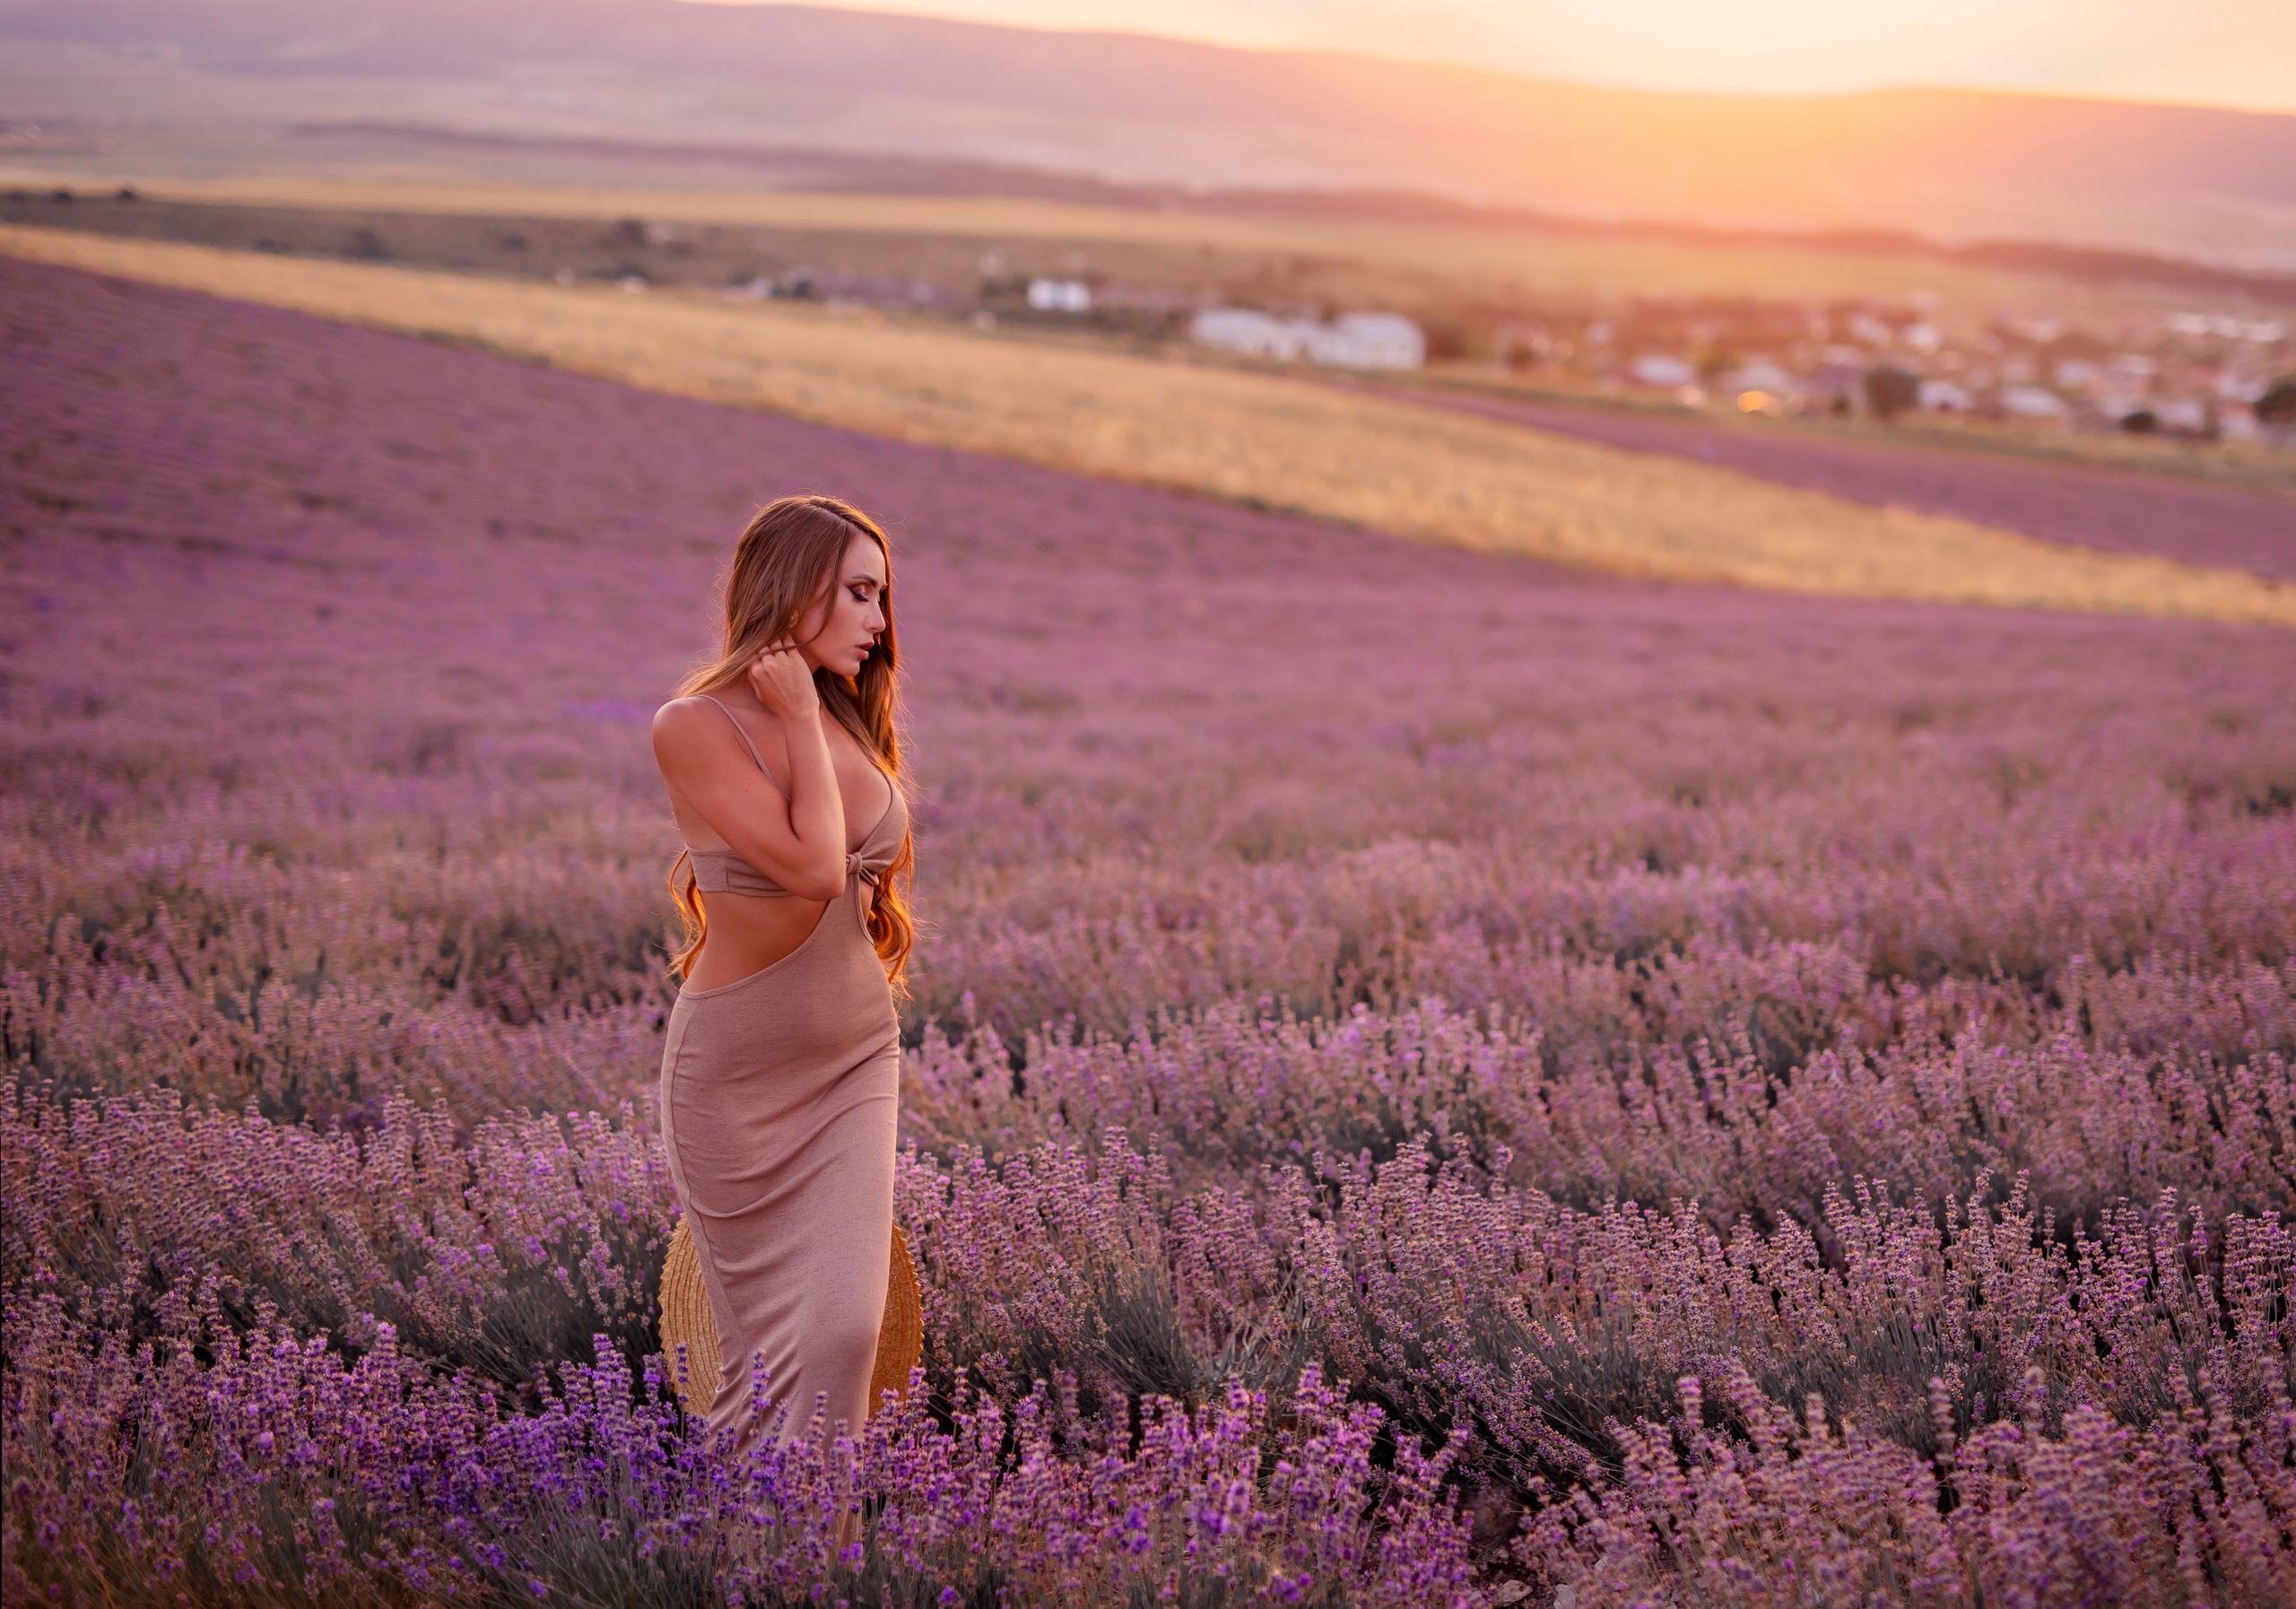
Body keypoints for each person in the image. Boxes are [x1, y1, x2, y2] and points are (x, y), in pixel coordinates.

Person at [650, 494, 915, 1448]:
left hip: (853, 1064)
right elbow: (809, 870)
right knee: (761, 1358)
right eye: (857, 594)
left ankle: (815, 1567)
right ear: (793, 586)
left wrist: (815, 711)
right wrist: (799, 713)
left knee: (846, 1333)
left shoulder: (848, 718)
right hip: (736, 1078)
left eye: (880, 597)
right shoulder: (692, 725)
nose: (878, 623)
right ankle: (751, 1563)